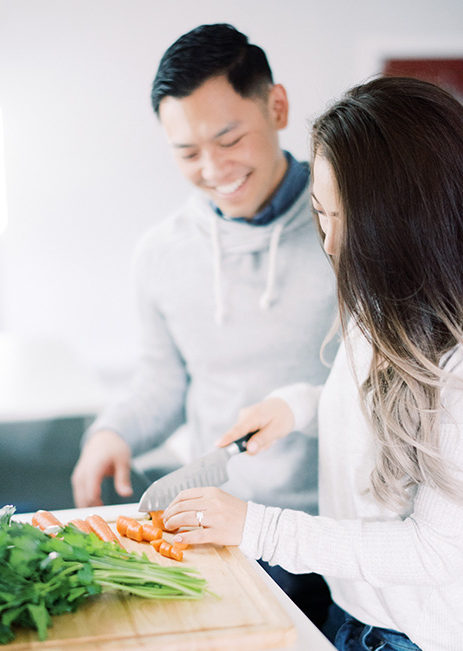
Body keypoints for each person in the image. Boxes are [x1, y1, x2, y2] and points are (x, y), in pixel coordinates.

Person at [161, 76, 463, 651]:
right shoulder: (382, 303)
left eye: (340, 218)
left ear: (401, 218)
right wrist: (295, 406)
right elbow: (376, 412)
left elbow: (438, 549)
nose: (327, 241)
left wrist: (258, 528)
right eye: (319, 213)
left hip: (413, 637)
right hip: (351, 610)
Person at [71, 23, 337, 627]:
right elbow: (163, 382)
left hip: (330, 538)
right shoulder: (160, 254)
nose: (214, 169)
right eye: (188, 153)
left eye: (229, 138)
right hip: (216, 531)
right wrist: (111, 434)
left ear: (277, 107)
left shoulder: (346, 231)